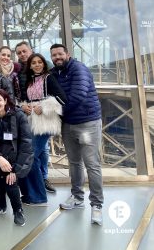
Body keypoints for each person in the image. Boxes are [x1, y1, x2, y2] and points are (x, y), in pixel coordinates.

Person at [50, 44, 104, 225]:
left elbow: (78, 96)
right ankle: (77, 197)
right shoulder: (54, 72)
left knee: (92, 164)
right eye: (54, 55)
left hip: (86, 124)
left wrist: (54, 111)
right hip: (68, 124)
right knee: (74, 162)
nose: (57, 57)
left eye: (59, 54)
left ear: (67, 54)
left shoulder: (78, 69)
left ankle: (96, 205)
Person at [19, 53, 67, 205]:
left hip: (44, 123)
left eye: (40, 62)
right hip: (31, 121)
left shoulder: (49, 78)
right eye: (34, 63)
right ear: (30, 65)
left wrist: (44, 106)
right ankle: (32, 194)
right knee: (33, 158)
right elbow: (26, 99)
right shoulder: (30, 80)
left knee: (30, 157)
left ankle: (38, 196)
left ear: (44, 64)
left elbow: (62, 98)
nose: (37, 65)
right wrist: (24, 106)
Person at [0, 89, 33, 227]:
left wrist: (15, 169)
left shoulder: (18, 116)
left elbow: (26, 143)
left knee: (11, 184)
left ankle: (18, 210)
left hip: (14, 158)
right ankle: (1, 206)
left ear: (5, 101)